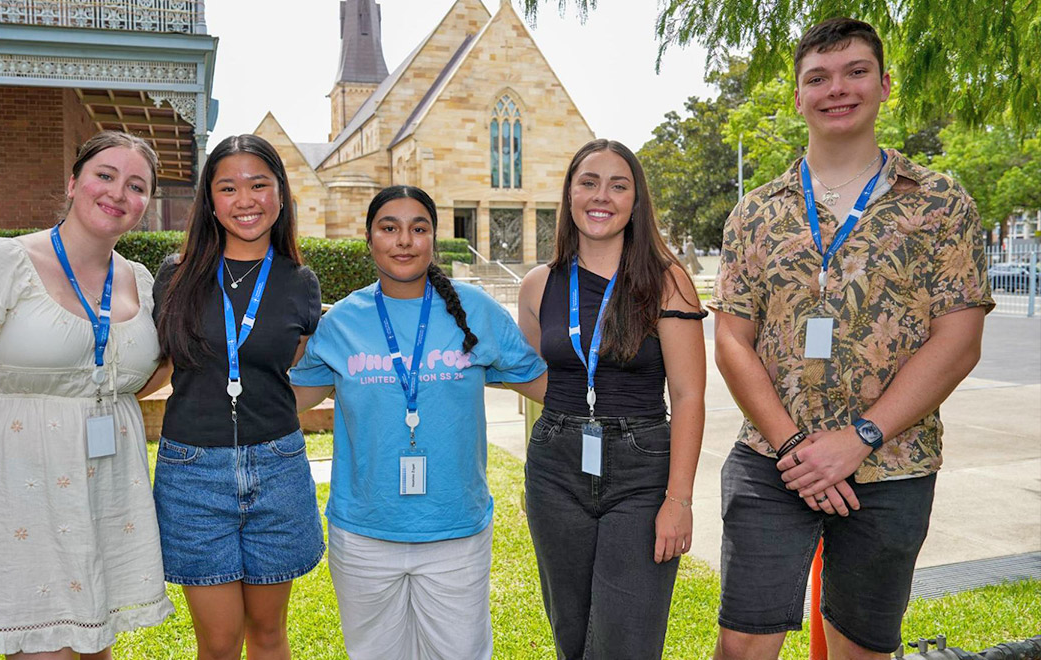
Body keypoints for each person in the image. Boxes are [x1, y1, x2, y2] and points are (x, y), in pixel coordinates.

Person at [709, 18, 993, 660]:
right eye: (818, 78)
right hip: (771, 460)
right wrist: (795, 448)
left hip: (891, 463)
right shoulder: (755, 212)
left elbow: (958, 339)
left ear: (884, 85)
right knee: (742, 646)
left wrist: (859, 438)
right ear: (798, 96)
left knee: (860, 650)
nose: (837, 89)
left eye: (855, 72)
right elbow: (731, 339)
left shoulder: (940, 202)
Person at [0, 131, 172, 658]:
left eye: (136, 185)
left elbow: (127, 380)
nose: (118, 193)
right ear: (74, 182)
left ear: (146, 204)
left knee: (96, 647)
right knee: (44, 648)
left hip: (107, 490)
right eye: (105, 175)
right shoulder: (2, 262)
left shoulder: (141, 282)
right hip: (18, 488)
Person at [290, 185, 547, 660]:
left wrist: (620, 391)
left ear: (433, 238)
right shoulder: (342, 321)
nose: (404, 240)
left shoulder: (476, 310)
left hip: (455, 529)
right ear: (369, 238)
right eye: (389, 228)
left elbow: (542, 384)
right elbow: (293, 399)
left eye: (419, 228)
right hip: (364, 532)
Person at [516, 139, 707, 659]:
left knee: (627, 641)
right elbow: (540, 378)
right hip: (555, 466)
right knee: (571, 634)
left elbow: (689, 395)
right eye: (589, 182)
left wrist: (679, 500)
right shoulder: (538, 285)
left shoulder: (667, 283)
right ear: (569, 194)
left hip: (642, 471)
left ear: (635, 200)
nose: (602, 196)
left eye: (618, 185)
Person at [148, 135, 324, 660]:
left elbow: (284, 373)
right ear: (209, 199)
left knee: (268, 635)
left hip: (277, 467)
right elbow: (156, 366)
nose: (244, 199)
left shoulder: (300, 282)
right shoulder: (175, 275)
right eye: (228, 187)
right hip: (192, 473)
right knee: (220, 643)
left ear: (281, 194)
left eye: (258, 184)